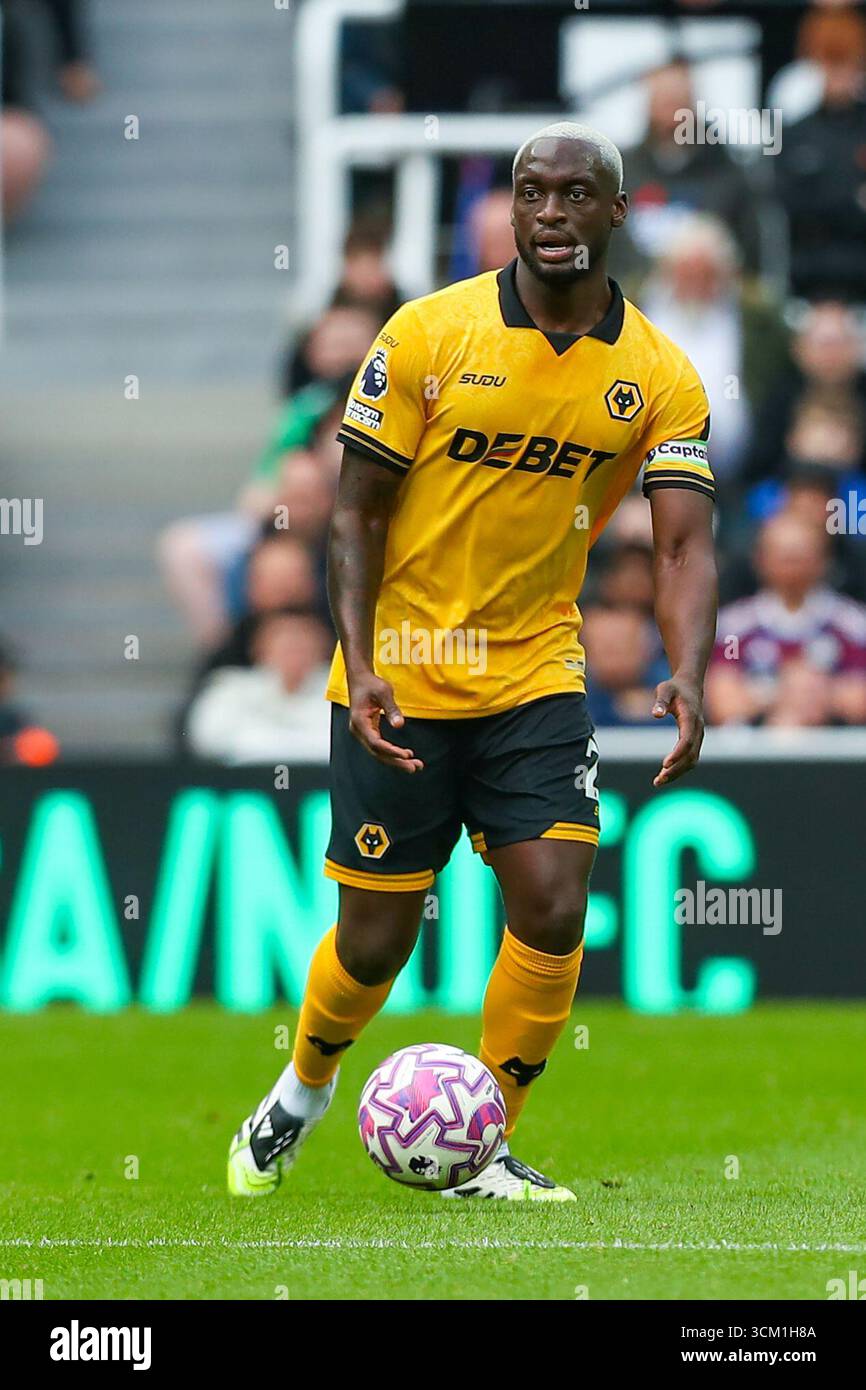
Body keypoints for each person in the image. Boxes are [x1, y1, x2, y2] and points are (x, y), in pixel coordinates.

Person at [228, 122, 718, 1202]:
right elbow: (351, 516)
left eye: (574, 194)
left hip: (534, 669)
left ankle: (480, 1147)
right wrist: (362, 666)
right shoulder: (425, 335)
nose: (549, 212)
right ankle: (303, 1085)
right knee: (373, 940)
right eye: (529, 192)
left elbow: (680, 540)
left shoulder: (657, 374)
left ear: (615, 212)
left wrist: (686, 669)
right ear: (507, 209)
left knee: (549, 902)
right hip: (399, 666)